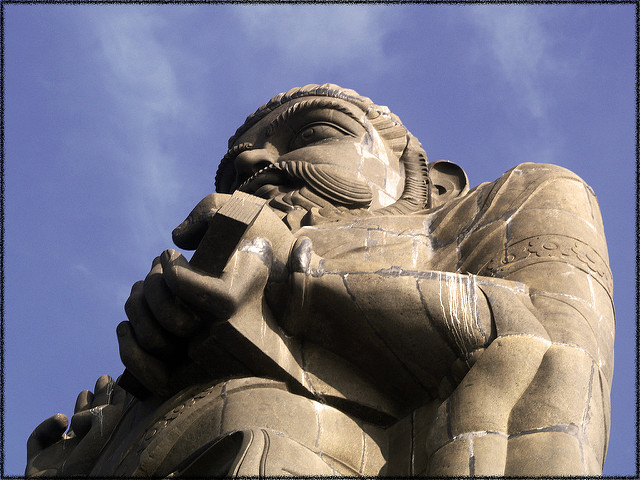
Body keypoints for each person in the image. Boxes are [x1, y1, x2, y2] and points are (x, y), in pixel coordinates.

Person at [26, 84, 614, 476]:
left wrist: (286, 272)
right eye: (235, 169)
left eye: (313, 133)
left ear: (429, 185)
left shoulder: (502, 206)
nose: (252, 166)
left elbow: (551, 346)